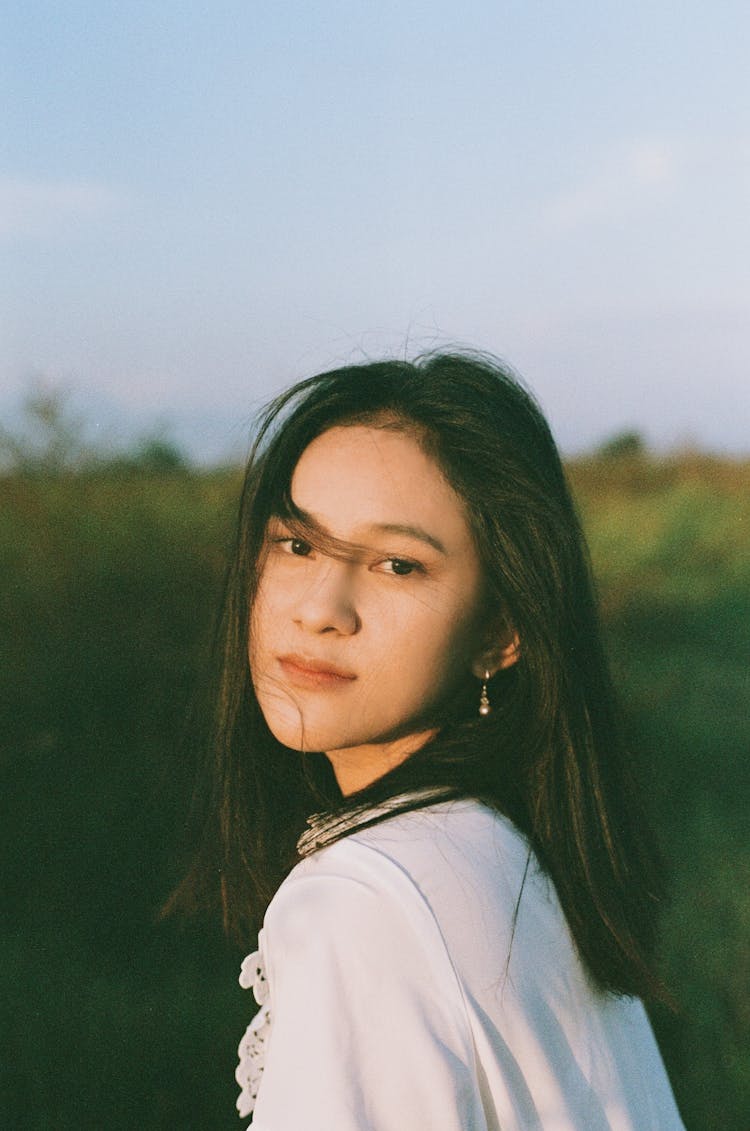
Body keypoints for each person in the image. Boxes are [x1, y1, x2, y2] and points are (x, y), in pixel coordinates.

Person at [170, 352, 686, 1129]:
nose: (321, 608)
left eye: (397, 564)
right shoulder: (509, 849)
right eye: (297, 544)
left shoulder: (367, 901)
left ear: (501, 630)